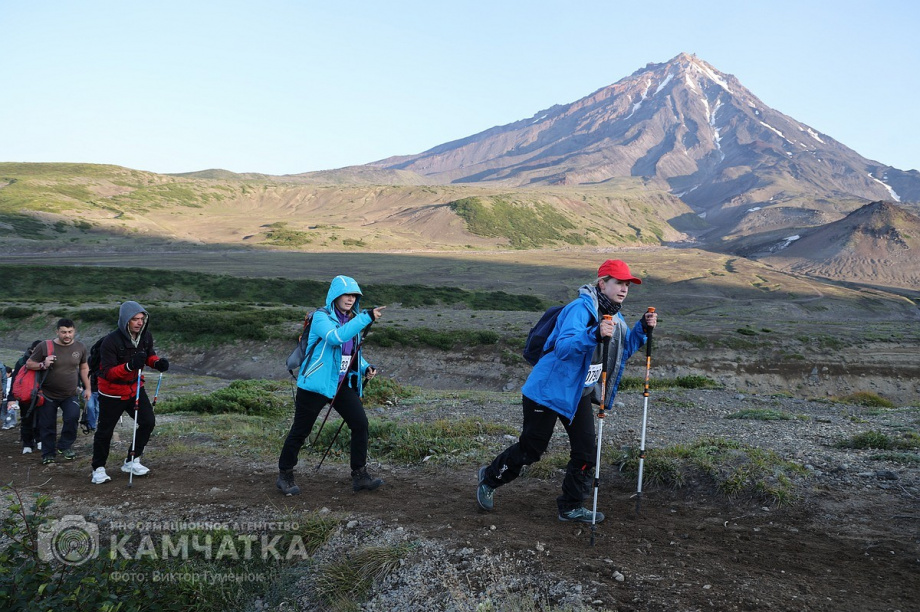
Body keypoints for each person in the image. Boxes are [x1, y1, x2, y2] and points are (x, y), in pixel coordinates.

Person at [476, 259, 657, 522]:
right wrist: (593, 334)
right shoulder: (580, 309)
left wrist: (642, 328)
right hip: (547, 392)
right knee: (531, 451)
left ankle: (571, 507)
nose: (624, 288)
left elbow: (620, 352)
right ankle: (489, 479)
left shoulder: (615, 316)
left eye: (627, 284)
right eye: (618, 282)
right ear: (602, 283)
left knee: (586, 452)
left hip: (578, 394)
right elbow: (562, 348)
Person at [277, 275, 385, 496]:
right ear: (335, 295)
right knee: (301, 431)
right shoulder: (320, 317)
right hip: (314, 385)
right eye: (346, 294)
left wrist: (365, 367)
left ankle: (360, 475)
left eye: (355, 295)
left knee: (360, 423)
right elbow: (335, 338)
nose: (351, 299)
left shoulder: (352, 319)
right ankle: (285, 474)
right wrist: (365, 318)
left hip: (340, 383)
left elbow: (350, 351)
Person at [90, 301, 169, 484]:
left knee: (148, 422)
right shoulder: (110, 341)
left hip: (135, 389)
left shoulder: (145, 336)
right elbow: (108, 372)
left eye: (142, 319)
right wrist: (129, 365)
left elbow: (149, 355)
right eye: (135, 319)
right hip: (112, 392)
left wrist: (157, 363)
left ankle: (132, 460)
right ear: (125, 320)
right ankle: (98, 468)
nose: (139, 323)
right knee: (105, 431)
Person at [27, 320, 92, 464]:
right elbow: (29, 364)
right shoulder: (44, 346)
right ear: (57, 332)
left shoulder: (80, 347)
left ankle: (65, 446)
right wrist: (43, 363)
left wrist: (88, 388)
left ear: (74, 331)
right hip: (47, 394)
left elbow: (83, 368)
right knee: (48, 424)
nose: (67, 335)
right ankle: (48, 453)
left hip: (70, 393)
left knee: (72, 418)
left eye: (70, 332)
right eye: (63, 332)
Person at [9, 340, 42, 451]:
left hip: (42, 395)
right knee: (26, 418)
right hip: (26, 395)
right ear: (32, 350)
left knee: (42, 418)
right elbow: (15, 380)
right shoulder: (22, 362)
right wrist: (11, 398)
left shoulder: (46, 361)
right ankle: (27, 443)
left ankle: (40, 439)